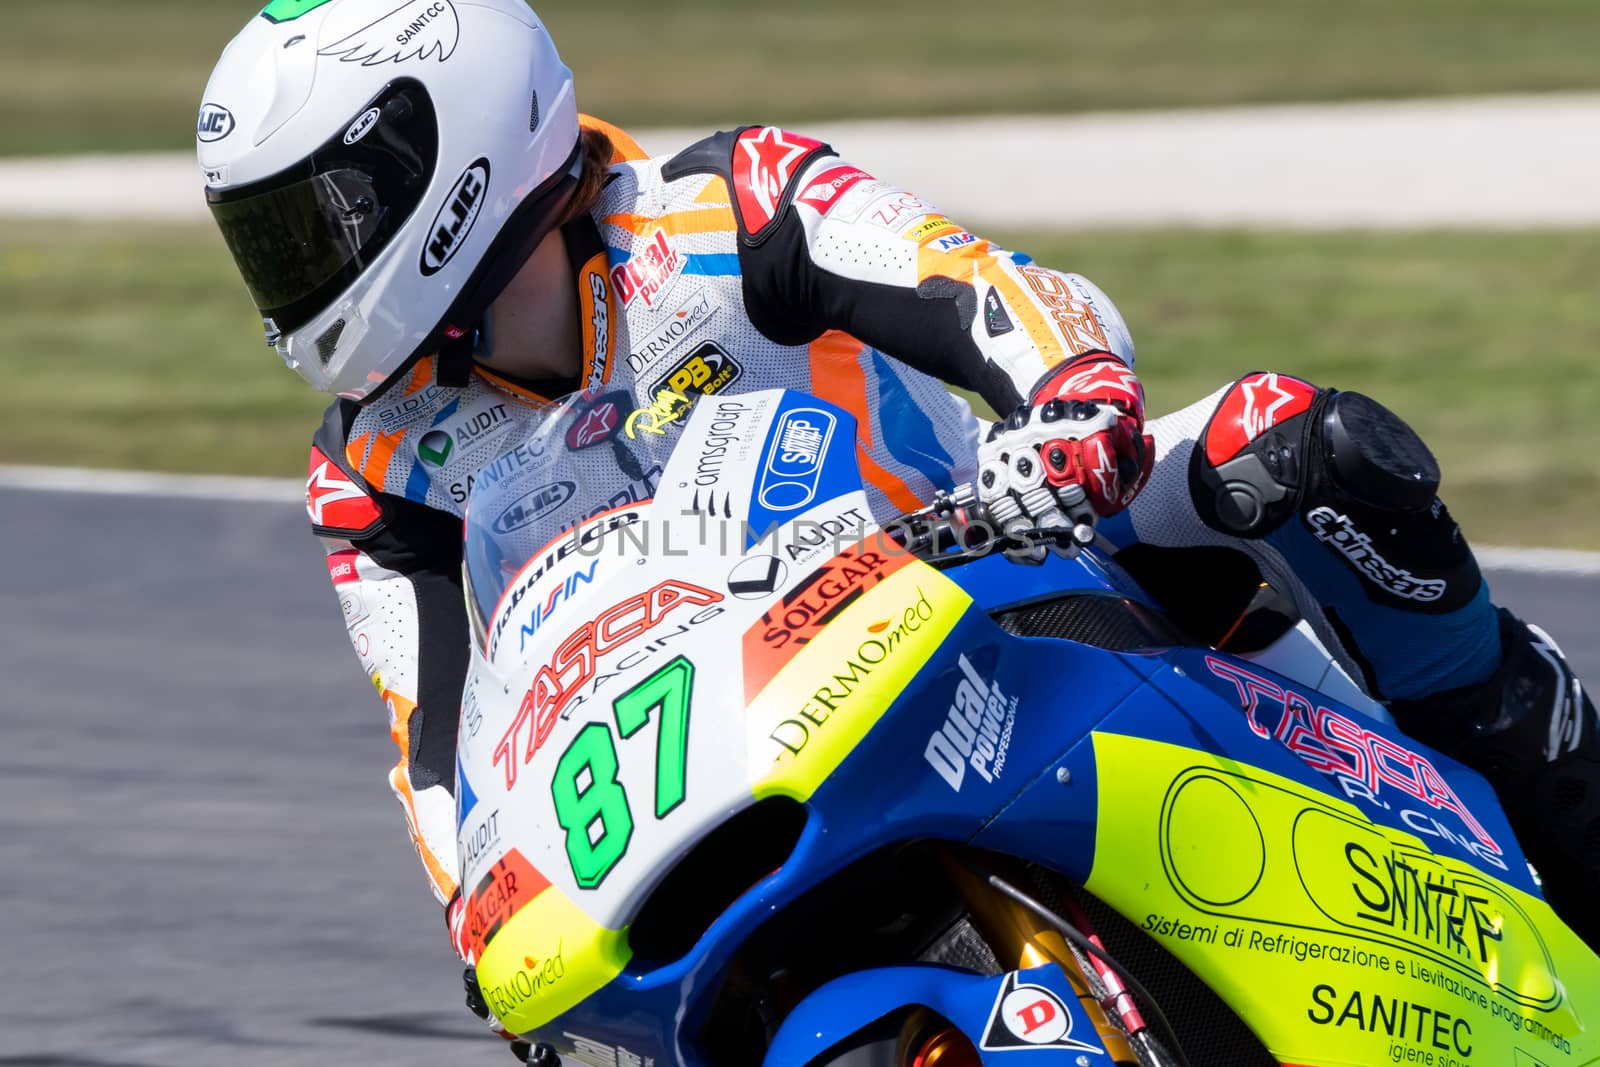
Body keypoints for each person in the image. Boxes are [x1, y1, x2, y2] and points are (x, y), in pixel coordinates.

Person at [199, 0, 1598, 1027]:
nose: (294, 271)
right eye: (270, 237)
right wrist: (482, 909)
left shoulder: (723, 213)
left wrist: (1072, 403)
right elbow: (441, 753)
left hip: (984, 569)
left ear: (446, 164)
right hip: (692, 770)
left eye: (316, 218)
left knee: (1290, 450)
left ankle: (1566, 808)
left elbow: (985, 283)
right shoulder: (376, 472)